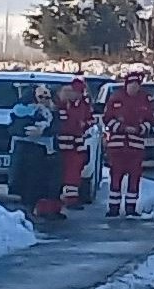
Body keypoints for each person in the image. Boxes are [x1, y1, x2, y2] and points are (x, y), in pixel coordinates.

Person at [101, 69, 154, 217]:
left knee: (134, 178)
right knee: (116, 178)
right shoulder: (116, 98)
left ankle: (130, 208)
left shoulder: (144, 100)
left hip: (136, 148)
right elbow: (107, 118)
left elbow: (150, 121)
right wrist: (122, 128)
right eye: (131, 84)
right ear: (126, 84)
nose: (134, 87)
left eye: (137, 84)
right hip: (117, 147)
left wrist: (139, 129)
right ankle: (113, 208)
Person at [9, 84, 63, 221]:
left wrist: (43, 131)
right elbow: (13, 128)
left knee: (39, 184)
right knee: (21, 183)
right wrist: (27, 130)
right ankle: (22, 213)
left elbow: (56, 127)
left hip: (42, 152)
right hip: (23, 150)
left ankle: (34, 210)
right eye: (41, 97)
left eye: (47, 97)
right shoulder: (19, 110)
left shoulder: (51, 112)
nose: (44, 99)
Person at [55, 77, 96, 209]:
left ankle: (71, 200)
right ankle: (58, 198)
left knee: (74, 173)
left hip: (77, 145)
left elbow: (91, 120)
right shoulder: (59, 104)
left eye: (79, 92)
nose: (76, 95)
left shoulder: (84, 105)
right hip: (60, 146)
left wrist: (84, 125)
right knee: (61, 173)